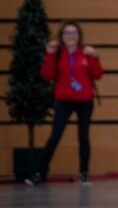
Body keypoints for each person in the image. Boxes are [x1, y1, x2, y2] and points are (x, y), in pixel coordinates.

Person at [26, 22, 103, 186]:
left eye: (74, 32)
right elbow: (46, 75)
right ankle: (39, 173)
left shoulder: (86, 53)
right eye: (67, 33)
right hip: (63, 102)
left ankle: (84, 173)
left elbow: (97, 75)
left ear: (78, 35)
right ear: (62, 36)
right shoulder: (57, 54)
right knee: (54, 137)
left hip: (85, 102)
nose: (71, 36)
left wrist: (95, 57)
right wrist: (49, 54)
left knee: (83, 137)